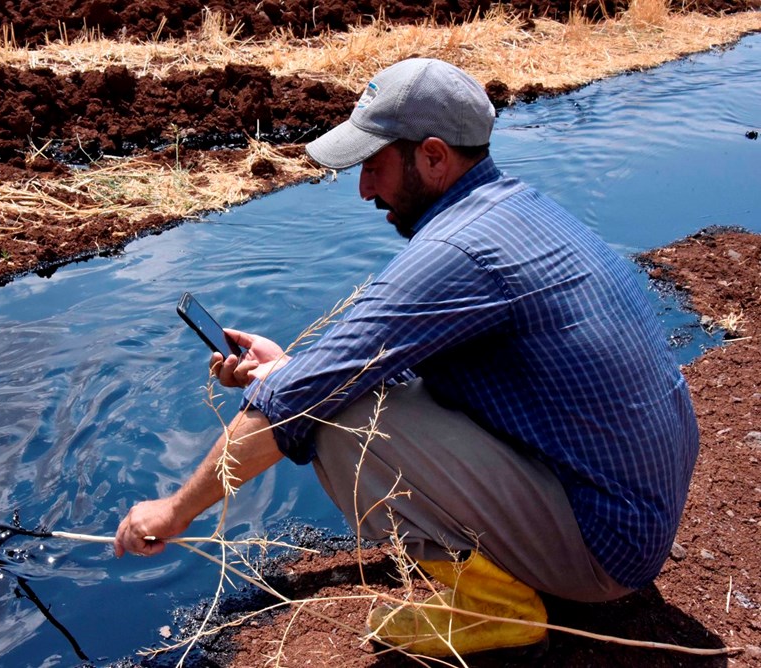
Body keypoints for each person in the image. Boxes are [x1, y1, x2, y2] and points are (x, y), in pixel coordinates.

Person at [114, 58, 699, 657]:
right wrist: (291, 366)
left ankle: (492, 608)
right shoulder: (517, 210)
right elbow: (347, 370)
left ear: (435, 157)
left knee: (338, 422)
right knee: (347, 387)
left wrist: (174, 511)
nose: (364, 188)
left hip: (602, 553)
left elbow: (296, 404)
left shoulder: (457, 251)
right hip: (633, 513)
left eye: (373, 165)